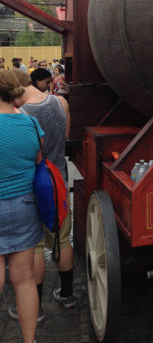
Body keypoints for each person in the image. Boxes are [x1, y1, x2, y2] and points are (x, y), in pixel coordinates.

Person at [9, 69, 75, 324]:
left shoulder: (19, 114)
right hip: (57, 180)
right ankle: (67, 294)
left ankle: (34, 308)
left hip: (32, 185)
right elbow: (66, 138)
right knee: (62, 238)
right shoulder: (60, 102)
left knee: (35, 246)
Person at [0, 70, 43, 343]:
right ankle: (29, 341)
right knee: (24, 279)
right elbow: (39, 162)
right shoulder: (30, 124)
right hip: (24, 204)